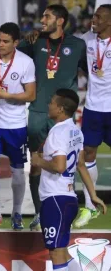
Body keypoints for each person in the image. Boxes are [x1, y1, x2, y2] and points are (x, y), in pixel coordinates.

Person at [0, 5, 87, 231]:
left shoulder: (78, 45)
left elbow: (95, 72)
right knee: (37, 164)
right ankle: (40, 213)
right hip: (40, 112)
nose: (41, 19)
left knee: (69, 162)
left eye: (47, 16)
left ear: (60, 21)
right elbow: (7, 47)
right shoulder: (35, 42)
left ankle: (70, 208)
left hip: (65, 115)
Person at [31, 89, 107, 270]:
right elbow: (81, 164)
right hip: (69, 199)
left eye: (52, 103)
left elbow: (59, 166)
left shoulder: (58, 133)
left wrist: (39, 161)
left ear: (60, 109)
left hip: (55, 199)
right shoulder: (76, 131)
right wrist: (93, 195)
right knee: (62, 251)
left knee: (56, 252)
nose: (49, 105)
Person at [0, 22, 36, 230]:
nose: (0, 44)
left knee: (19, 172)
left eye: (5, 41)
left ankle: (17, 213)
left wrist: (7, 95)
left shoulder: (25, 62)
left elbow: (31, 94)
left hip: (16, 125)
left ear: (16, 43)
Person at [74, 4, 111, 227]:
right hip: (93, 108)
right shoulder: (87, 39)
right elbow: (64, 41)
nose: (93, 19)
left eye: (98, 16)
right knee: (87, 153)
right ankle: (89, 206)